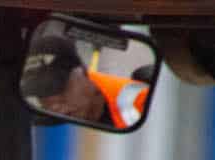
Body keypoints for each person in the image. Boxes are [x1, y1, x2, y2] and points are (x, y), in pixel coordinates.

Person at [20, 33, 150, 129]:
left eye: (59, 89)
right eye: (43, 94)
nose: (56, 107)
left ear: (82, 73)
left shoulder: (138, 102)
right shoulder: (44, 126)